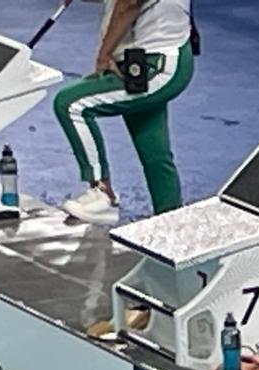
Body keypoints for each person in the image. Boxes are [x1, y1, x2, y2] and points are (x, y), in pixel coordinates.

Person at [54, 0, 195, 225]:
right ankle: (171, 222)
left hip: (156, 65)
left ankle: (102, 193)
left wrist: (104, 54)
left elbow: (130, 2)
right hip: (146, 59)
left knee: (70, 104)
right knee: (155, 152)